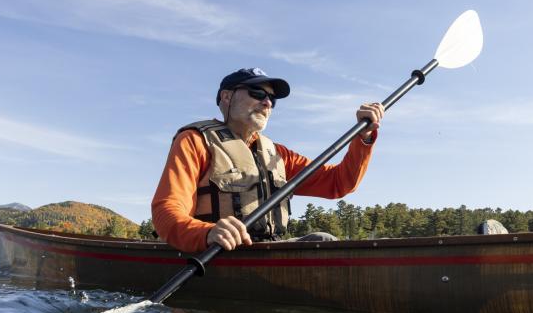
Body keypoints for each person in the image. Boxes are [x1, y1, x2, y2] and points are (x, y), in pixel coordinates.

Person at [151, 67, 384, 253]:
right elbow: (166, 210)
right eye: (257, 93)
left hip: (265, 247)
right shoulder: (194, 141)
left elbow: (338, 182)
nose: (268, 102)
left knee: (322, 240)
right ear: (226, 96)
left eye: (272, 98)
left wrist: (362, 138)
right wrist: (206, 233)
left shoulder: (278, 154)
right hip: (216, 251)